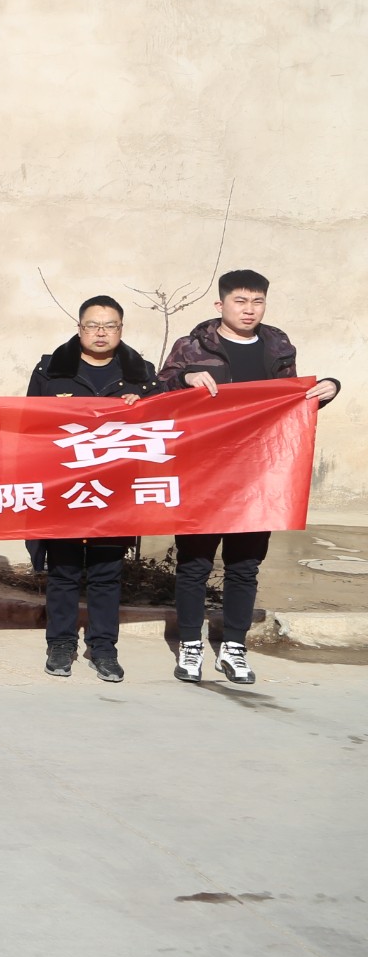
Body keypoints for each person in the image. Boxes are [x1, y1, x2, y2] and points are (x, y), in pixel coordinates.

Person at [158, 269, 340, 685]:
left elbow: (289, 405)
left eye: (257, 301)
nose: (249, 310)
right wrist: (184, 378)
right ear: (220, 304)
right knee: (194, 564)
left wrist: (328, 388)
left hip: (260, 474)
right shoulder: (192, 346)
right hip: (203, 471)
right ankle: (190, 644)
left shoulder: (278, 347)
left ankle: (234, 647)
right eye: (240, 301)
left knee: (244, 565)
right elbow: (159, 393)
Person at [26, 296, 166, 681]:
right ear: (79, 328)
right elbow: (30, 427)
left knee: (107, 573)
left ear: (121, 329)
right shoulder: (51, 371)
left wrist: (145, 406)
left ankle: (104, 648)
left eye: (110, 326)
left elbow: (163, 427)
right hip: (65, 487)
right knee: (64, 571)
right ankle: (61, 644)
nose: (101, 332)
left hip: (115, 491)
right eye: (93, 325)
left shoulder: (142, 375)